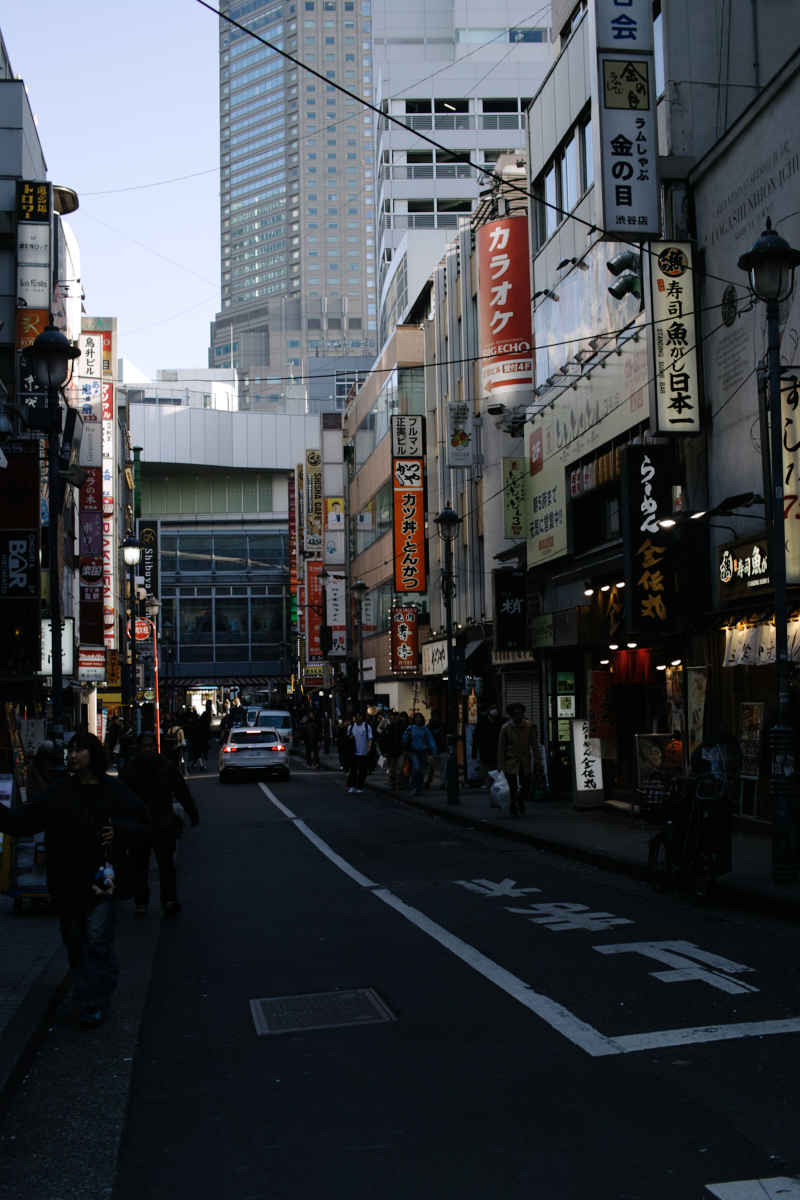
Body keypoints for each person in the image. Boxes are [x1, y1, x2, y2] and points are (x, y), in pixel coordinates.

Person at [0, 732, 151, 1027]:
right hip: (67, 879)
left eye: (79, 750)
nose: (72, 755)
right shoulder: (57, 793)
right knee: (73, 940)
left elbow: (144, 821)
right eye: (70, 749)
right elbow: (24, 821)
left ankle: (93, 1000)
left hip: (101, 875)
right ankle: (89, 989)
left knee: (97, 938)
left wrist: (119, 829)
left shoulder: (114, 790)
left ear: (93, 755)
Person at [120, 732, 200, 918]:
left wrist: (192, 813)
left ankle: (169, 900)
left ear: (155, 746)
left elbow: (182, 792)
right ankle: (141, 902)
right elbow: (120, 800)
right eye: (143, 746)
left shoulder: (167, 767)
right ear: (138, 748)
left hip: (163, 824)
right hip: (138, 827)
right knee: (139, 866)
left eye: (150, 745)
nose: (147, 749)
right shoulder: (129, 771)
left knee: (166, 865)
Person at [497, 703, 543, 817]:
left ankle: (520, 799)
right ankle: (513, 807)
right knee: (512, 787)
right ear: (511, 714)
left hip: (525, 760)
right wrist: (501, 763)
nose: (519, 716)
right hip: (511, 761)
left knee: (527, 784)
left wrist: (538, 760)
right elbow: (501, 746)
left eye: (521, 713)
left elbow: (534, 744)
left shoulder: (528, 726)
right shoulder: (506, 728)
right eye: (517, 714)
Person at [472, 703, 505, 795]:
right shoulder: (482, 722)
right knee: (489, 776)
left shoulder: (501, 722)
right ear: (487, 710)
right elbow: (476, 738)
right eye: (492, 708)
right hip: (486, 753)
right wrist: (474, 751)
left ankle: (500, 795)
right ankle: (492, 796)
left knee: (500, 775)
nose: (494, 710)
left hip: (499, 753)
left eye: (496, 708)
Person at [403, 712, 438, 796]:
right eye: (417, 718)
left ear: (422, 719)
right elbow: (404, 738)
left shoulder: (425, 729)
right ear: (414, 719)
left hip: (423, 752)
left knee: (422, 771)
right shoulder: (411, 728)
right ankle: (415, 787)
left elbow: (430, 740)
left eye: (420, 718)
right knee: (417, 768)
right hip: (414, 751)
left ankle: (419, 787)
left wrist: (434, 751)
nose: (418, 720)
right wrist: (408, 736)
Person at [378, 711, 406, 789]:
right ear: (389, 719)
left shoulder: (401, 729)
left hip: (399, 751)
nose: (393, 720)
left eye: (394, 718)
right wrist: (384, 752)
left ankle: (400, 782)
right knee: (392, 769)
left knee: (400, 769)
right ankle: (392, 782)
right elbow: (382, 742)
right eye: (391, 718)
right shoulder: (387, 730)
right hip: (390, 752)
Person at [347, 713, 373, 793]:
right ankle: (352, 786)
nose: (358, 718)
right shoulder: (351, 727)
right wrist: (350, 738)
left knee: (362, 770)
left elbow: (370, 738)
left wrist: (369, 747)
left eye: (359, 716)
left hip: (364, 751)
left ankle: (359, 787)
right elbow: (347, 737)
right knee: (353, 769)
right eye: (356, 716)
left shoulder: (367, 727)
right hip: (354, 751)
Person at [423, 711, 448, 790]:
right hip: (432, 751)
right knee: (431, 767)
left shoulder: (443, 726)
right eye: (434, 716)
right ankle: (428, 780)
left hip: (442, 749)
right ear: (432, 717)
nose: (436, 718)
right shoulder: (428, 727)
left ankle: (442, 783)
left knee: (444, 767)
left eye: (437, 716)